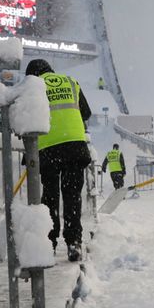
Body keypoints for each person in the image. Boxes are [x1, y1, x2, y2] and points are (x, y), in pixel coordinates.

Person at [24, 59, 92, 262]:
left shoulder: (34, 86)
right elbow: (86, 112)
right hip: (75, 146)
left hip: (48, 149)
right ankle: (74, 244)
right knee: (72, 197)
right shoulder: (71, 81)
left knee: (50, 198)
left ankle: (49, 245)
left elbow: (26, 119)